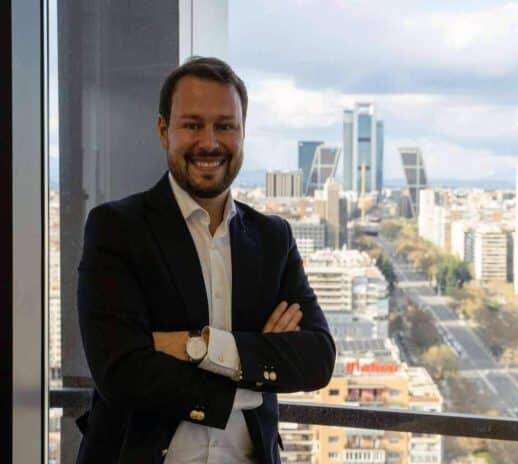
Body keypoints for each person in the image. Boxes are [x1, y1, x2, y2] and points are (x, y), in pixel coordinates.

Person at [76, 56, 336, 464]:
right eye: (193, 125)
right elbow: (121, 373)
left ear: (243, 133)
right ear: (164, 131)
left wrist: (199, 347)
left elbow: (317, 359)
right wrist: (253, 369)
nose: (210, 142)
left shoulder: (273, 238)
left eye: (225, 126)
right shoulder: (116, 229)